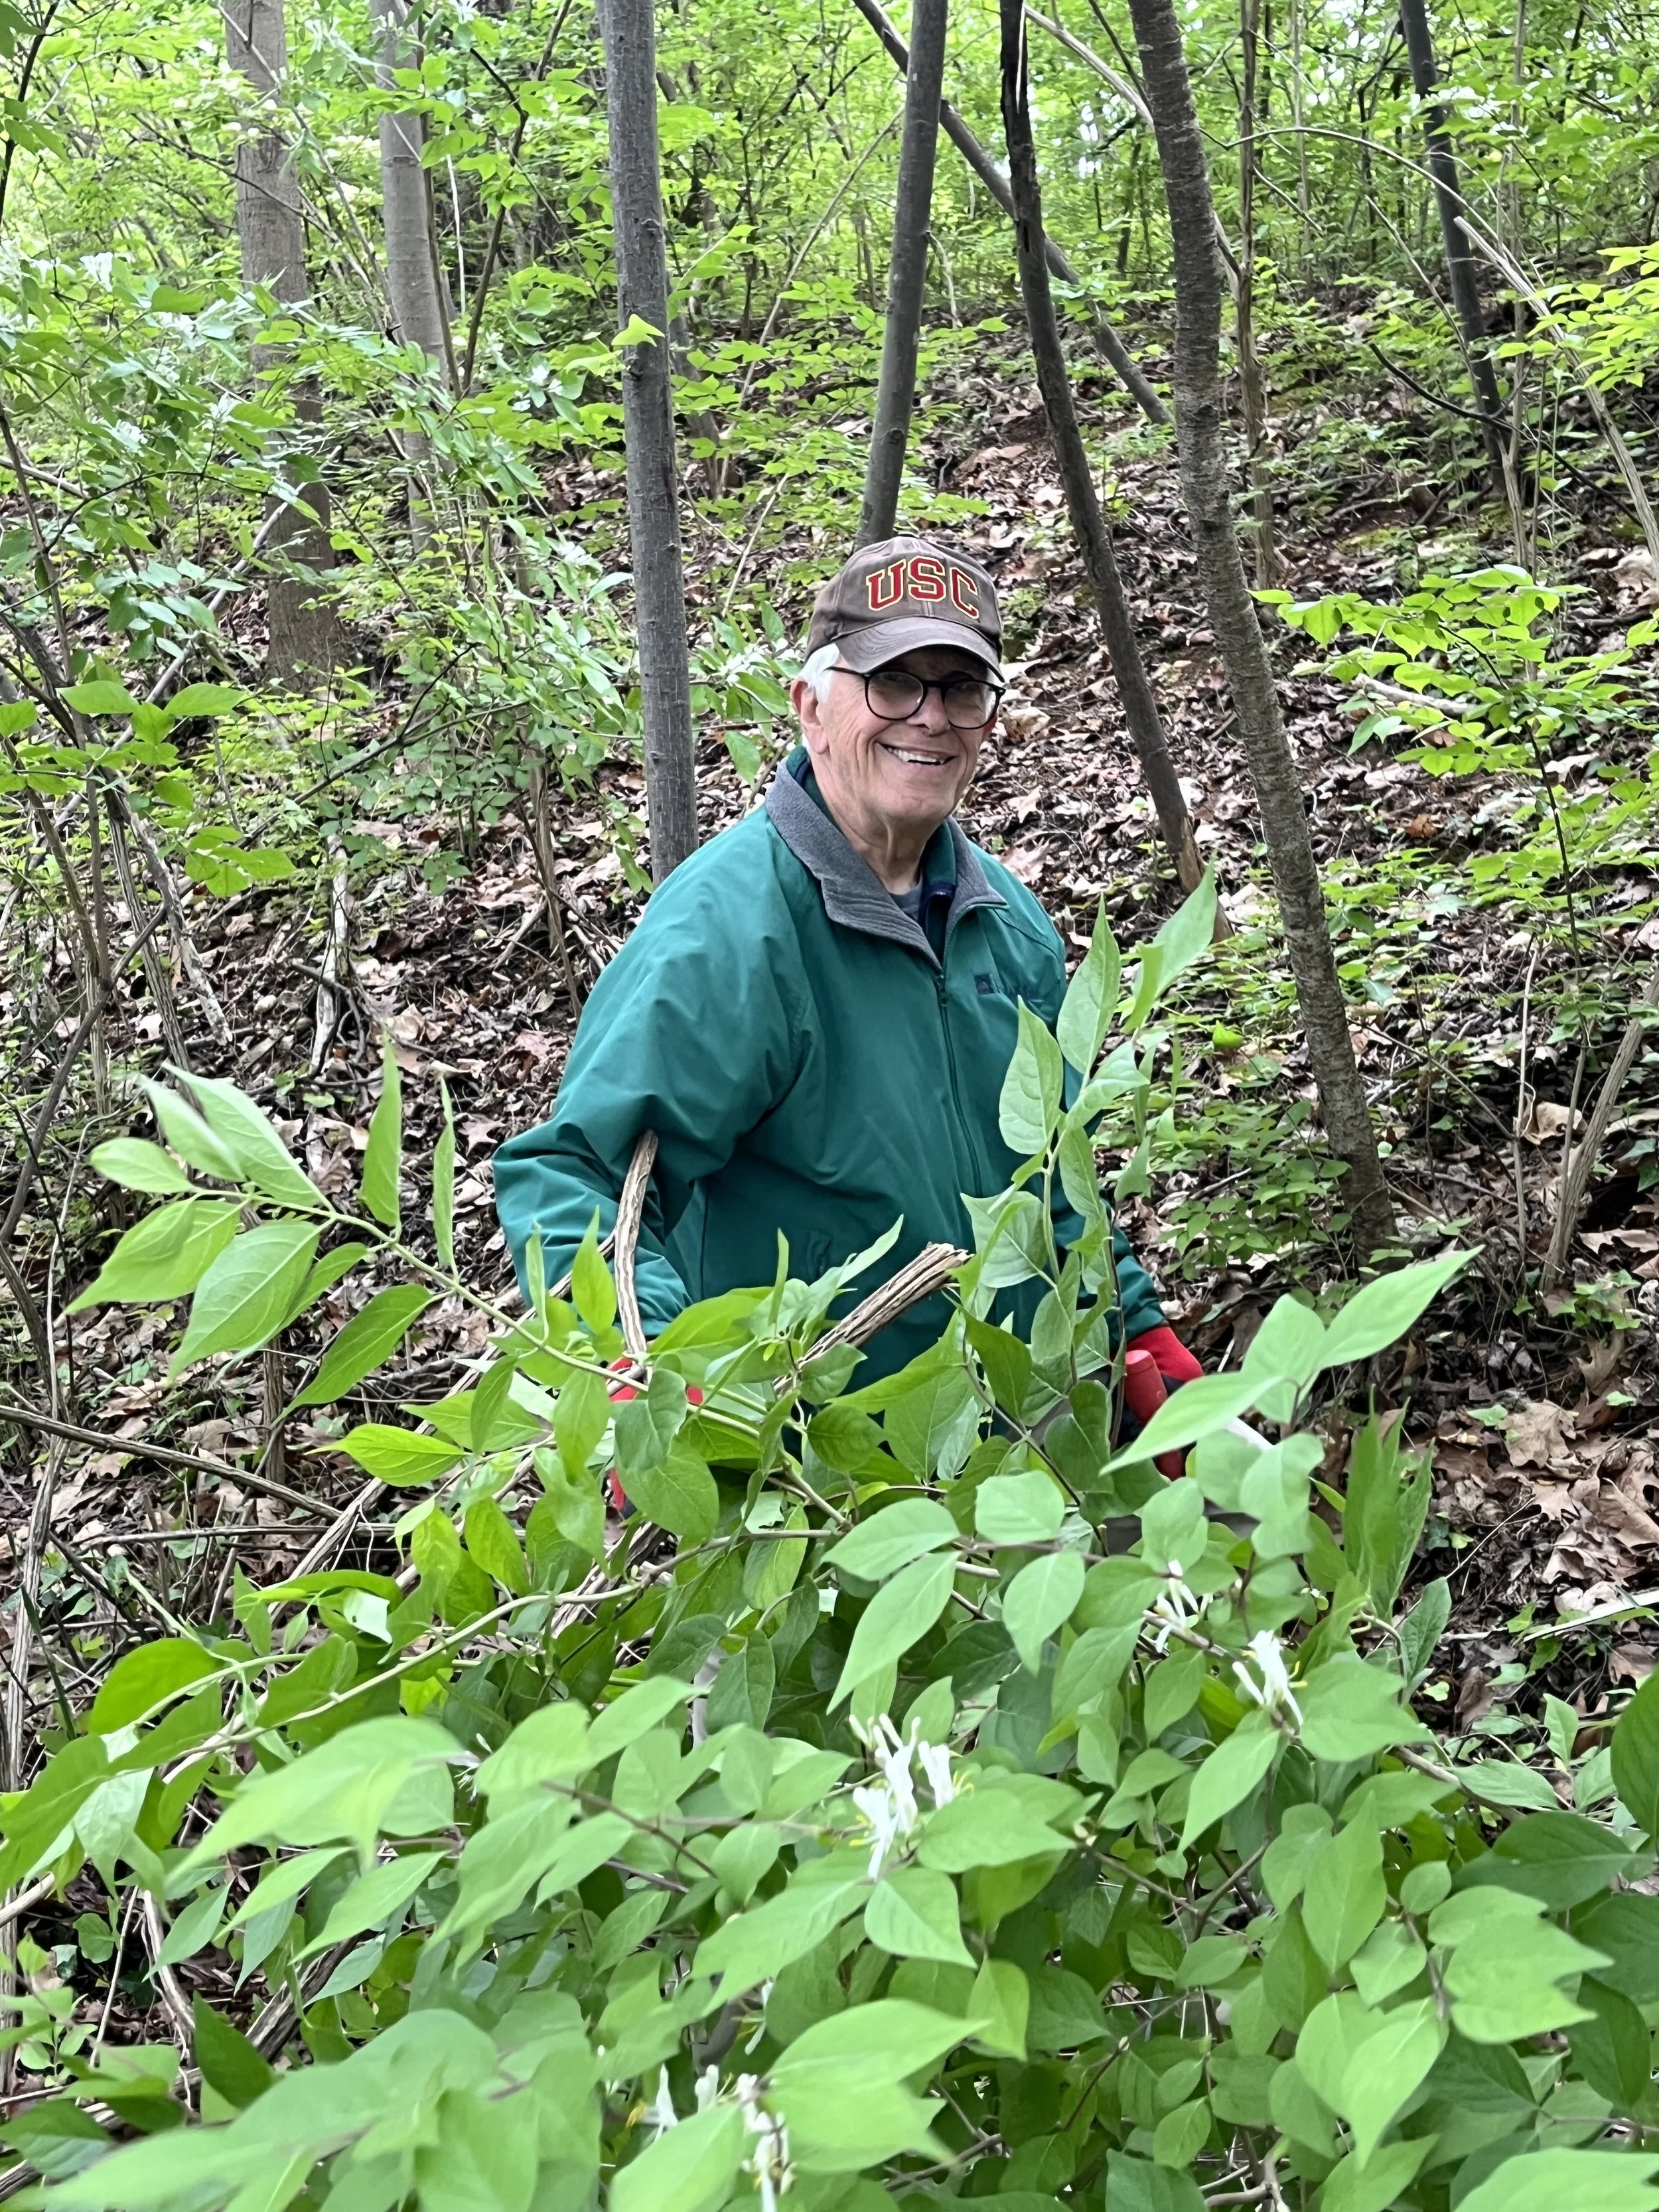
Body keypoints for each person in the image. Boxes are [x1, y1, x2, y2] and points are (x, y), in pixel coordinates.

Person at [492, 533, 1198, 1392]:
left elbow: (1055, 1176)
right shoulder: (729, 931)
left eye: (961, 688)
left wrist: (1129, 1316)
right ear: (810, 708)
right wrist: (647, 1374)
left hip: (1029, 1444)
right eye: (893, 683)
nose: (931, 717)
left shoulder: (1010, 928)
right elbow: (574, 1177)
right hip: (809, 1460)